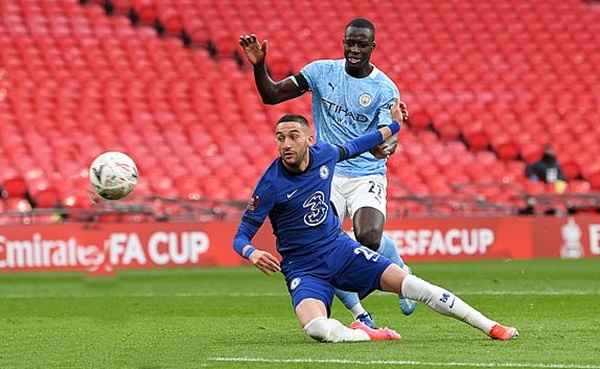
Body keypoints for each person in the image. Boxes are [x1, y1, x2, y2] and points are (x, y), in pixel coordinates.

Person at [232, 100, 518, 342]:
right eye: (280, 138)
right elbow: (240, 236)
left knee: (415, 286)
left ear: (310, 140)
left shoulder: (326, 154)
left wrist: (394, 127)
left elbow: (358, 145)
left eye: (293, 136)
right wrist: (252, 252)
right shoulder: (270, 185)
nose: (286, 144)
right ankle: (366, 333)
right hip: (303, 268)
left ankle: (492, 327)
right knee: (316, 329)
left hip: (339, 250)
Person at [238, 17, 416, 328]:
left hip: (366, 173)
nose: (354, 49)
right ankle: (360, 315)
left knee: (368, 236)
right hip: (325, 173)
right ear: (343, 42)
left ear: (373, 47)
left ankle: (400, 267)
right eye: (350, 42)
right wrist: (259, 65)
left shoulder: (384, 88)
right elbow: (272, 96)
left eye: (362, 44)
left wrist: (384, 146)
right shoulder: (321, 72)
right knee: (318, 246)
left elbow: (386, 142)